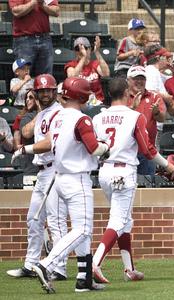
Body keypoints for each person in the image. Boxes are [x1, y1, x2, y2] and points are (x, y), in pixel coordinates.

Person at [19, 77, 110, 293]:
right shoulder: (81, 119)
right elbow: (94, 149)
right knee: (83, 229)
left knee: (82, 230)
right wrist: (106, 146)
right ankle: (46, 264)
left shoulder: (58, 118)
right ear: (82, 95)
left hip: (60, 177)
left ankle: (83, 279)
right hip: (76, 177)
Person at [91, 78, 174, 283]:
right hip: (124, 170)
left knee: (124, 220)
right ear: (128, 92)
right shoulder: (135, 116)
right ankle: (95, 262)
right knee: (118, 220)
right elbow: (147, 150)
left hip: (104, 170)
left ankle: (129, 269)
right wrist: (167, 165)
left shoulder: (97, 118)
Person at [8, 74, 67, 282]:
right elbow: (25, 131)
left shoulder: (59, 112)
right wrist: (38, 110)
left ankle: (59, 268)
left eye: (48, 90)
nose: (45, 94)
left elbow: (50, 143)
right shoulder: (43, 113)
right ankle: (31, 264)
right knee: (33, 220)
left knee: (56, 222)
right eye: (41, 91)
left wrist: (26, 149)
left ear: (55, 91)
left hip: (55, 171)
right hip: (42, 172)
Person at [126, 65, 166, 176]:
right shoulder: (122, 96)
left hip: (147, 150)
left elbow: (162, 118)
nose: (139, 81)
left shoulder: (154, 96)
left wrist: (156, 112)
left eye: (142, 78)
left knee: (149, 185)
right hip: (127, 150)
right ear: (128, 80)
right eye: (135, 79)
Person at [9, 0, 59, 77]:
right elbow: (16, 12)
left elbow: (56, 11)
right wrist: (34, 2)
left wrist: (42, 5)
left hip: (44, 38)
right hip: (24, 39)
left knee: (45, 78)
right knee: (23, 76)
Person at [65, 36, 110, 105]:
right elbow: (72, 77)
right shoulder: (71, 65)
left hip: (96, 102)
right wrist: (83, 57)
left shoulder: (95, 64)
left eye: (85, 48)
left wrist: (97, 52)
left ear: (90, 49)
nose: (81, 51)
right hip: (79, 103)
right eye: (78, 49)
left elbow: (106, 74)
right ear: (74, 51)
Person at [13, 90, 39, 175]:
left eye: (31, 98)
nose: (27, 100)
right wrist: (18, 146)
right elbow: (23, 135)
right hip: (30, 161)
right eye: (26, 98)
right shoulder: (23, 117)